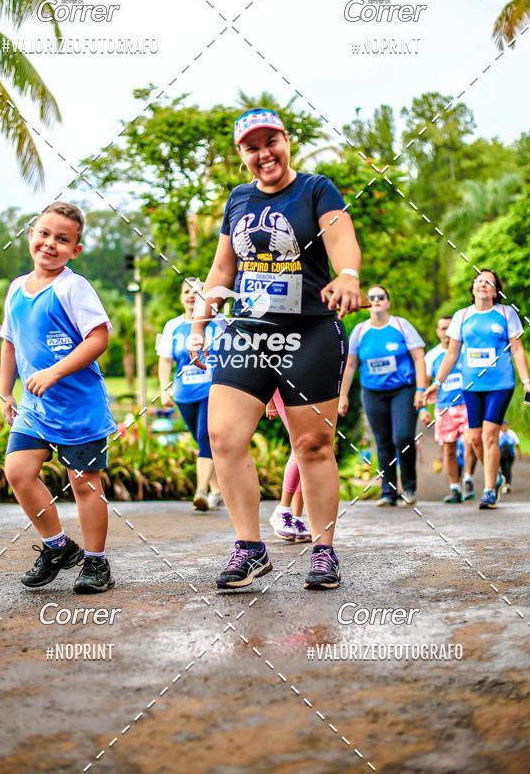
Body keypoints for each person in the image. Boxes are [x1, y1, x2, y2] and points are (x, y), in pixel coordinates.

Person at [190, 107, 362, 590]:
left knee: (312, 444)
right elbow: (223, 270)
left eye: (271, 142)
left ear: (286, 141)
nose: (263, 153)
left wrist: (347, 275)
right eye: (251, 146)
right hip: (247, 332)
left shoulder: (315, 188)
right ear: (241, 155)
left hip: (309, 331)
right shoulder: (238, 199)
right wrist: (200, 324)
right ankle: (249, 548)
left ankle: (323, 550)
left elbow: (341, 238)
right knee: (223, 436)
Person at [0, 202, 117, 594]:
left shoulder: (72, 286)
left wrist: (54, 371)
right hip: (35, 408)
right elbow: (10, 342)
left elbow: (98, 338)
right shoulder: (16, 287)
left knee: (84, 485)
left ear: (75, 250)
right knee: (17, 471)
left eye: (62, 240)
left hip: (78, 406)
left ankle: (97, 564)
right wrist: (5, 390)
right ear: (31, 234)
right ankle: (58, 547)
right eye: (44, 234)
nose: (50, 244)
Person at [425, 269, 530, 509]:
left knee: (489, 434)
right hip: (471, 385)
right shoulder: (462, 317)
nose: (483, 284)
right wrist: (437, 383)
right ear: (472, 289)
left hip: (500, 384)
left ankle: (489, 489)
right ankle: (497, 476)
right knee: (474, 438)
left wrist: (526, 382)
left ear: (495, 291)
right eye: (478, 280)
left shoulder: (506, 313)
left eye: (489, 282)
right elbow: (451, 354)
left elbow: (517, 349)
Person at [338, 286, 426, 506]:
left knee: (403, 438)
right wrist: (343, 396)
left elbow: (419, 358)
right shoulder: (359, 330)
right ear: (367, 304)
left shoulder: (400, 325)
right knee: (383, 441)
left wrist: (421, 390)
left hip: (403, 390)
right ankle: (388, 491)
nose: (376, 300)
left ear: (388, 302)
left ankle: (409, 487)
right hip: (373, 393)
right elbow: (350, 365)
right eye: (372, 297)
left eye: (381, 297)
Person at [158, 278, 223, 511]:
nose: (191, 296)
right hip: (184, 393)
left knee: (206, 436)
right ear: (180, 297)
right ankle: (217, 491)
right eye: (186, 291)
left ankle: (201, 492)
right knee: (203, 442)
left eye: (197, 292)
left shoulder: (218, 322)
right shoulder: (172, 326)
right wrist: (164, 388)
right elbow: (165, 361)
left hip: (212, 390)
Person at [423, 315, 473, 503]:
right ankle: (455, 487)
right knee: (449, 448)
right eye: (442, 329)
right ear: (438, 332)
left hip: (468, 403)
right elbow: (424, 385)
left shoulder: (465, 350)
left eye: (449, 328)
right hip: (444, 407)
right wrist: (422, 409)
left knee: (471, 442)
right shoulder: (432, 356)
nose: (446, 333)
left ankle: (468, 477)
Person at [266, 389, 311, 542]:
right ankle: (283, 510)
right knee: (300, 442)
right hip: (283, 386)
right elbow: (268, 365)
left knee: (306, 447)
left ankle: (296, 518)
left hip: (307, 384)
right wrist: (270, 400)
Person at [498, 421, 520, 493]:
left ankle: (508, 484)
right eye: (503, 426)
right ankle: (504, 484)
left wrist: (519, 453)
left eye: (505, 425)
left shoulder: (511, 433)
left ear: (508, 426)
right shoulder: (498, 434)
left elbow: (517, 443)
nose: (504, 427)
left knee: (508, 468)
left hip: (510, 455)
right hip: (501, 455)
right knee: (503, 469)